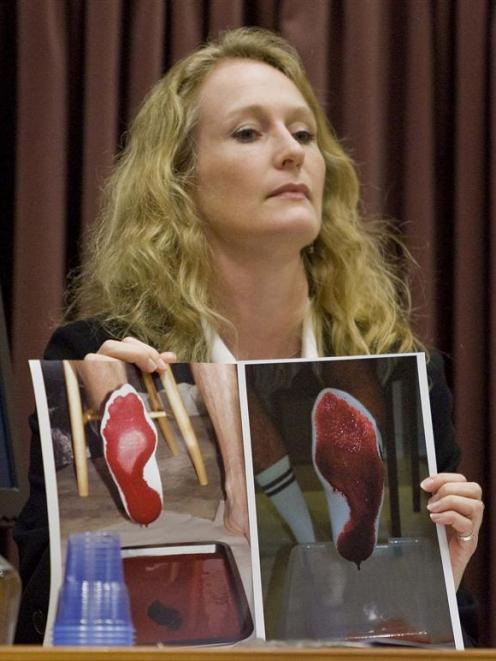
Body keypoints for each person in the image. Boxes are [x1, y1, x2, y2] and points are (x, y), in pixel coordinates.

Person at [14, 27, 483, 643]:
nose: (291, 152)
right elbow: (40, 617)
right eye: (248, 132)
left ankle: (276, 518)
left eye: (304, 133)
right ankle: (191, 486)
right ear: (178, 180)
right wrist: (88, 479)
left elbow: (462, 642)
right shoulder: (94, 353)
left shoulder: (406, 371)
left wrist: (440, 583)